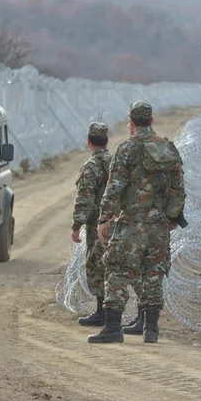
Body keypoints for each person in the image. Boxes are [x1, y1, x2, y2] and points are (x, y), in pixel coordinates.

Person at [89, 100, 186, 344]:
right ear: (151, 120)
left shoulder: (127, 148)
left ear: (131, 122)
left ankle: (112, 327)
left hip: (132, 223)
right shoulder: (167, 148)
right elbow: (178, 188)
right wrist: (173, 215)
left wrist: (104, 217)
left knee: (118, 270)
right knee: (153, 275)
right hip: (158, 225)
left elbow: (115, 186)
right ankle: (151, 329)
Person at [70, 122, 112, 326]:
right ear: (106, 141)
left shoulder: (91, 166)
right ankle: (113, 311)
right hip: (116, 222)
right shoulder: (116, 163)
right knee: (113, 265)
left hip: (97, 225)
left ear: (88, 142)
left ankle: (102, 311)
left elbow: (85, 199)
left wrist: (76, 226)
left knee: (96, 264)